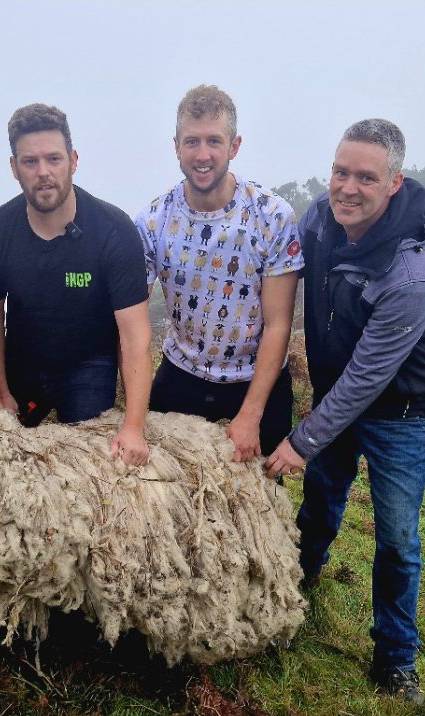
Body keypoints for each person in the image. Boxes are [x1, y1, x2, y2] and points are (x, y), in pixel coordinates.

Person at [265, 119, 425, 705]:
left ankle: (396, 658)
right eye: (340, 172)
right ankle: (297, 584)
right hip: (332, 393)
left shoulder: (413, 270)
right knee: (321, 501)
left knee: (397, 537)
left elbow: (370, 377)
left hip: (398, 413)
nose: (347, 187)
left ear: (393, 182)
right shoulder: (318, 221)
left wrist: (301, 440)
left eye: (366, 178)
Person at [0, 104, 152, 465]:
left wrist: (134, 426)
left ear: (73, 160)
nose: (43, 173)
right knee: (2, 460)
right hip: (22, 362)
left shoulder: (113, 230)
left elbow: (135, 336)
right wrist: (1, 392)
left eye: (53, 159)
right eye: (30, 162)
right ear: (13, 167)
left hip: (87, 364)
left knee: (85, 466)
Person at [136, 85, 302, 463]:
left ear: (235, 146)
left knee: (257, 501)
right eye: (192, 142)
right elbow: (134, 318)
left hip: (255, 380)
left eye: (214, 141)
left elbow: (279, 324)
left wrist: (251, 415)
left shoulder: (272, 216)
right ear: (176, 146)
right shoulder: (152, 222)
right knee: (166, 494)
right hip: (182, 375)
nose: (203, 154)